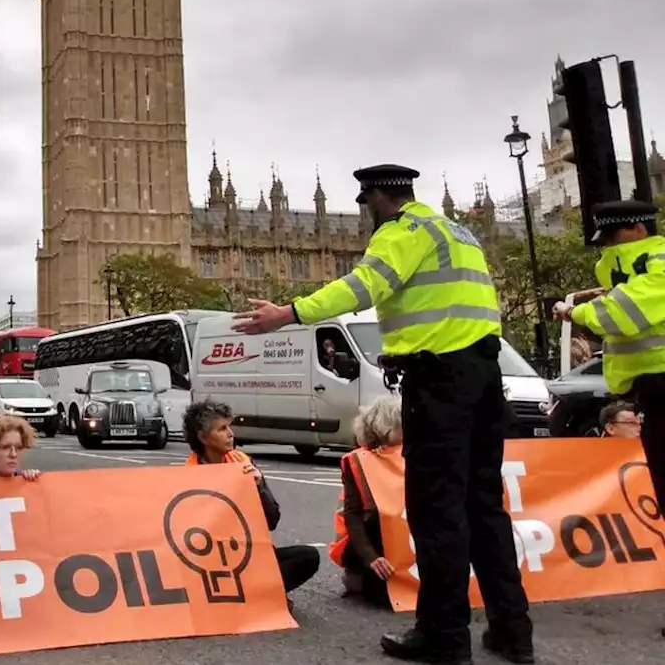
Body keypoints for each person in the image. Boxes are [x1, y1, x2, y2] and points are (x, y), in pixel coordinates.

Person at [234, 164, 531, 664]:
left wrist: (289, 314)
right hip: (484, 377)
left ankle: (444, 635)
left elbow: (365, 285)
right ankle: (511, 630)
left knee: (438, 513)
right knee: (485, 509)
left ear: (377, 198)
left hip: (439, 382)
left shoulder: (401, 231)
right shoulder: (458, 233)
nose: (366, 213)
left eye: (366, 203)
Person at [553, 200, 665, 580]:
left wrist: (575, 313)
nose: (610, 248)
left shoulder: (660, 261)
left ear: (638, 229)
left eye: (615, 237)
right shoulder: (634, 270)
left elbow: (622, 314)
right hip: (649, 388)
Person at [182, 400, 320, 599]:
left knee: (308, 556)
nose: (231, 433)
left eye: (229, 426)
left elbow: (272, 521)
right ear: (203, 437)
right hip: (213, 558)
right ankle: (257, 594)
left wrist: (259, 487)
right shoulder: (187, 476)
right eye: (222, 429)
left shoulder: (243, 463)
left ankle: (258, 595)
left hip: (250, 554)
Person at [329, 394, 403, 609]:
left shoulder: (413, 454)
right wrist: (371, 558)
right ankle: (359, 574)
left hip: (402, 538)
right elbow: (353, 515)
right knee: (383, 597)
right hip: (366, 540)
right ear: (385, 429)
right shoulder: (360, 461)